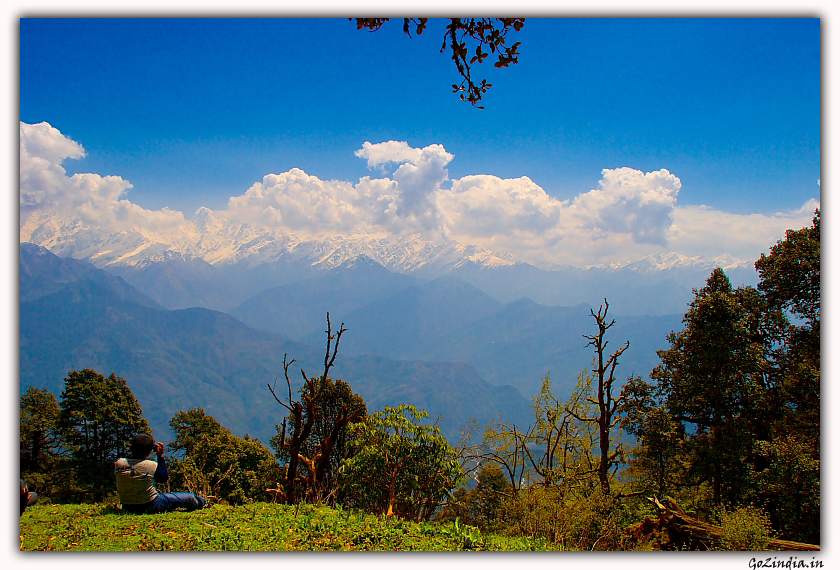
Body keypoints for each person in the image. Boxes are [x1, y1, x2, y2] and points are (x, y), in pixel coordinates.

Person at [114, 433, 206, 514]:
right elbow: (163, 478)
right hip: (151, 504)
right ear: (150, 452)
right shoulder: (151, 466)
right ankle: (203, 501)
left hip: (127, 506)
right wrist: (160, 456)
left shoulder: (119, 463)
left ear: (130, 448)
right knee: (189, 498)